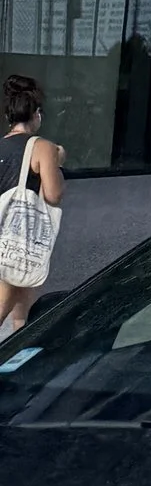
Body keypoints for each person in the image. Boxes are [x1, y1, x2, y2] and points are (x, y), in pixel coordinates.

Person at [0, 75, 65, 337]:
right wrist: (58, 161)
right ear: (36, 114)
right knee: (12, 312)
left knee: (21, 315)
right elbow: (53, 195)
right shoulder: (43, 148)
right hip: (17, 243)